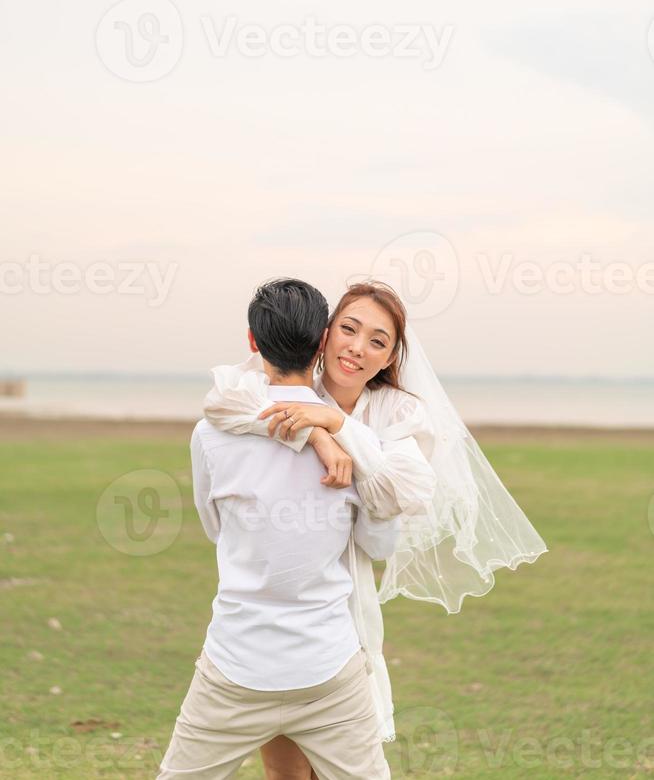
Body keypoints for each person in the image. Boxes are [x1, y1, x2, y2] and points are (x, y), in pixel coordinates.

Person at [203, 279, 549, 780]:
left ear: (389, 358)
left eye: (378, 342)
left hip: (346, 611)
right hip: (275, 609)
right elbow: (220, 403)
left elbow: (406, 491)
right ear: (324, 334)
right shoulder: (285, 387)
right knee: (285, 771)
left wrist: (340, 428)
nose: (357, 349)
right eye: (348, 329)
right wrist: (316, 433)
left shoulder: (397, 412)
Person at [157, 278, 399, 780]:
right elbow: (378, 543)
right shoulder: (354, 437)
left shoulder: (212, 431)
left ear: (252, 341)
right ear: (321, 345)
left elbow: (214, 526)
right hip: (328, 668)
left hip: (235, 664)